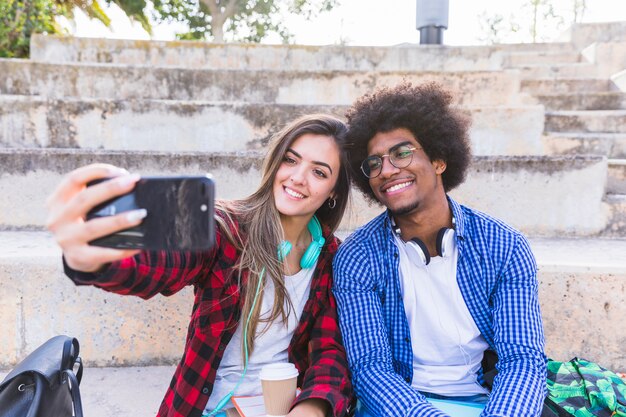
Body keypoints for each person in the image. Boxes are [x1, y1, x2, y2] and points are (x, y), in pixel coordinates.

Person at [46, 114, 354, 417]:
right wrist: (94, 258)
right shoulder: (225, 228)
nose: (297, 177)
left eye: (319, 172)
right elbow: (162, 265)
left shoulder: (331, 257)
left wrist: (311, 410)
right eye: (290, 159)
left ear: (334, 192)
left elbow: (329, 352)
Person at [332, 82, 547, 417]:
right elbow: (371, 370)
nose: (386, 170)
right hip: (397, 407)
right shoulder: (357, 258)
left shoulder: (505, 246)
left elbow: (521, 359)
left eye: (402, 153)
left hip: (490, 403)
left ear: (439, 159)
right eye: (374, 163)